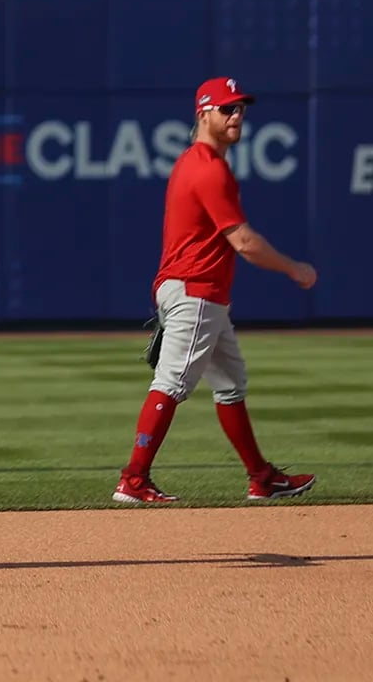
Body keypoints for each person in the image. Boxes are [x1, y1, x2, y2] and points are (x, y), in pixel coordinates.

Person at [114, 76, 317, 504]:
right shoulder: (207, 168)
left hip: (200, 293)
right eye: (227, 109)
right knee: (171, 382)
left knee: (230, 382)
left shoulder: (196, 161)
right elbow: (243, 242)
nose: (237, 115)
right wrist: (293, 268)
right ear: (203, 114)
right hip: (197, 290)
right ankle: (133, 477)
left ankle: (261, 477)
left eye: (240, 108)